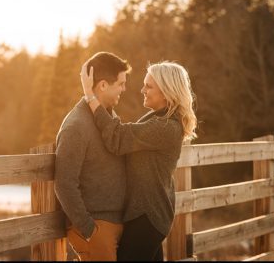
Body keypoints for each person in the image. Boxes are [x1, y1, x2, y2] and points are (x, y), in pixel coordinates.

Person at [80, 60, 197, 261]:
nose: (142, 90)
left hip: (147, 217)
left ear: (167, 91)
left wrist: (91, 96)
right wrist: (104, 102)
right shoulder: (157, 119)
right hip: (148, 215)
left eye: (149, 86)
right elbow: (122, 132)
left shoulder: (165, 127)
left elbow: (118, 137)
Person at [54, 52, 132, 261]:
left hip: (118, 224)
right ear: (104, 85)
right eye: (121, 84)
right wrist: (90, 230)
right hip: (97, 227)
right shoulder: (76, 126)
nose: (124, 89)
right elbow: (65, 184)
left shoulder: (109, 117)